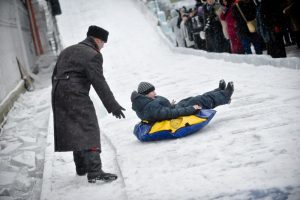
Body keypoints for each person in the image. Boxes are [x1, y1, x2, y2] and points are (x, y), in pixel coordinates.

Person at [51, 25, 125, 183]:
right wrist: (113, 106)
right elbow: (99, 82)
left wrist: (59, 95)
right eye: (103, 43)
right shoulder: (92, 55)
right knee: (89, 127)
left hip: (58, 93)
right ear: (97, 40)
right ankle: (95, 172)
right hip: (75, 94)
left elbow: (54, 75)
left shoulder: (68, 50)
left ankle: (81, 167)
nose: (103, 46)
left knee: (74, 127)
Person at [131, 80, 234, 123]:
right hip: (176, 110)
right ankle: (226, 96)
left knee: (193, 98)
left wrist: (169, 105)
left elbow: (162, 111)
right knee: (198, 101)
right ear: (145, 94)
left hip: (174, 107)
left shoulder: (146, 103)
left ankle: (219, 91)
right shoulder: (150, 107)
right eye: (152, 91)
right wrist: (191, 109)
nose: (155, 93)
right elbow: (171, 114)